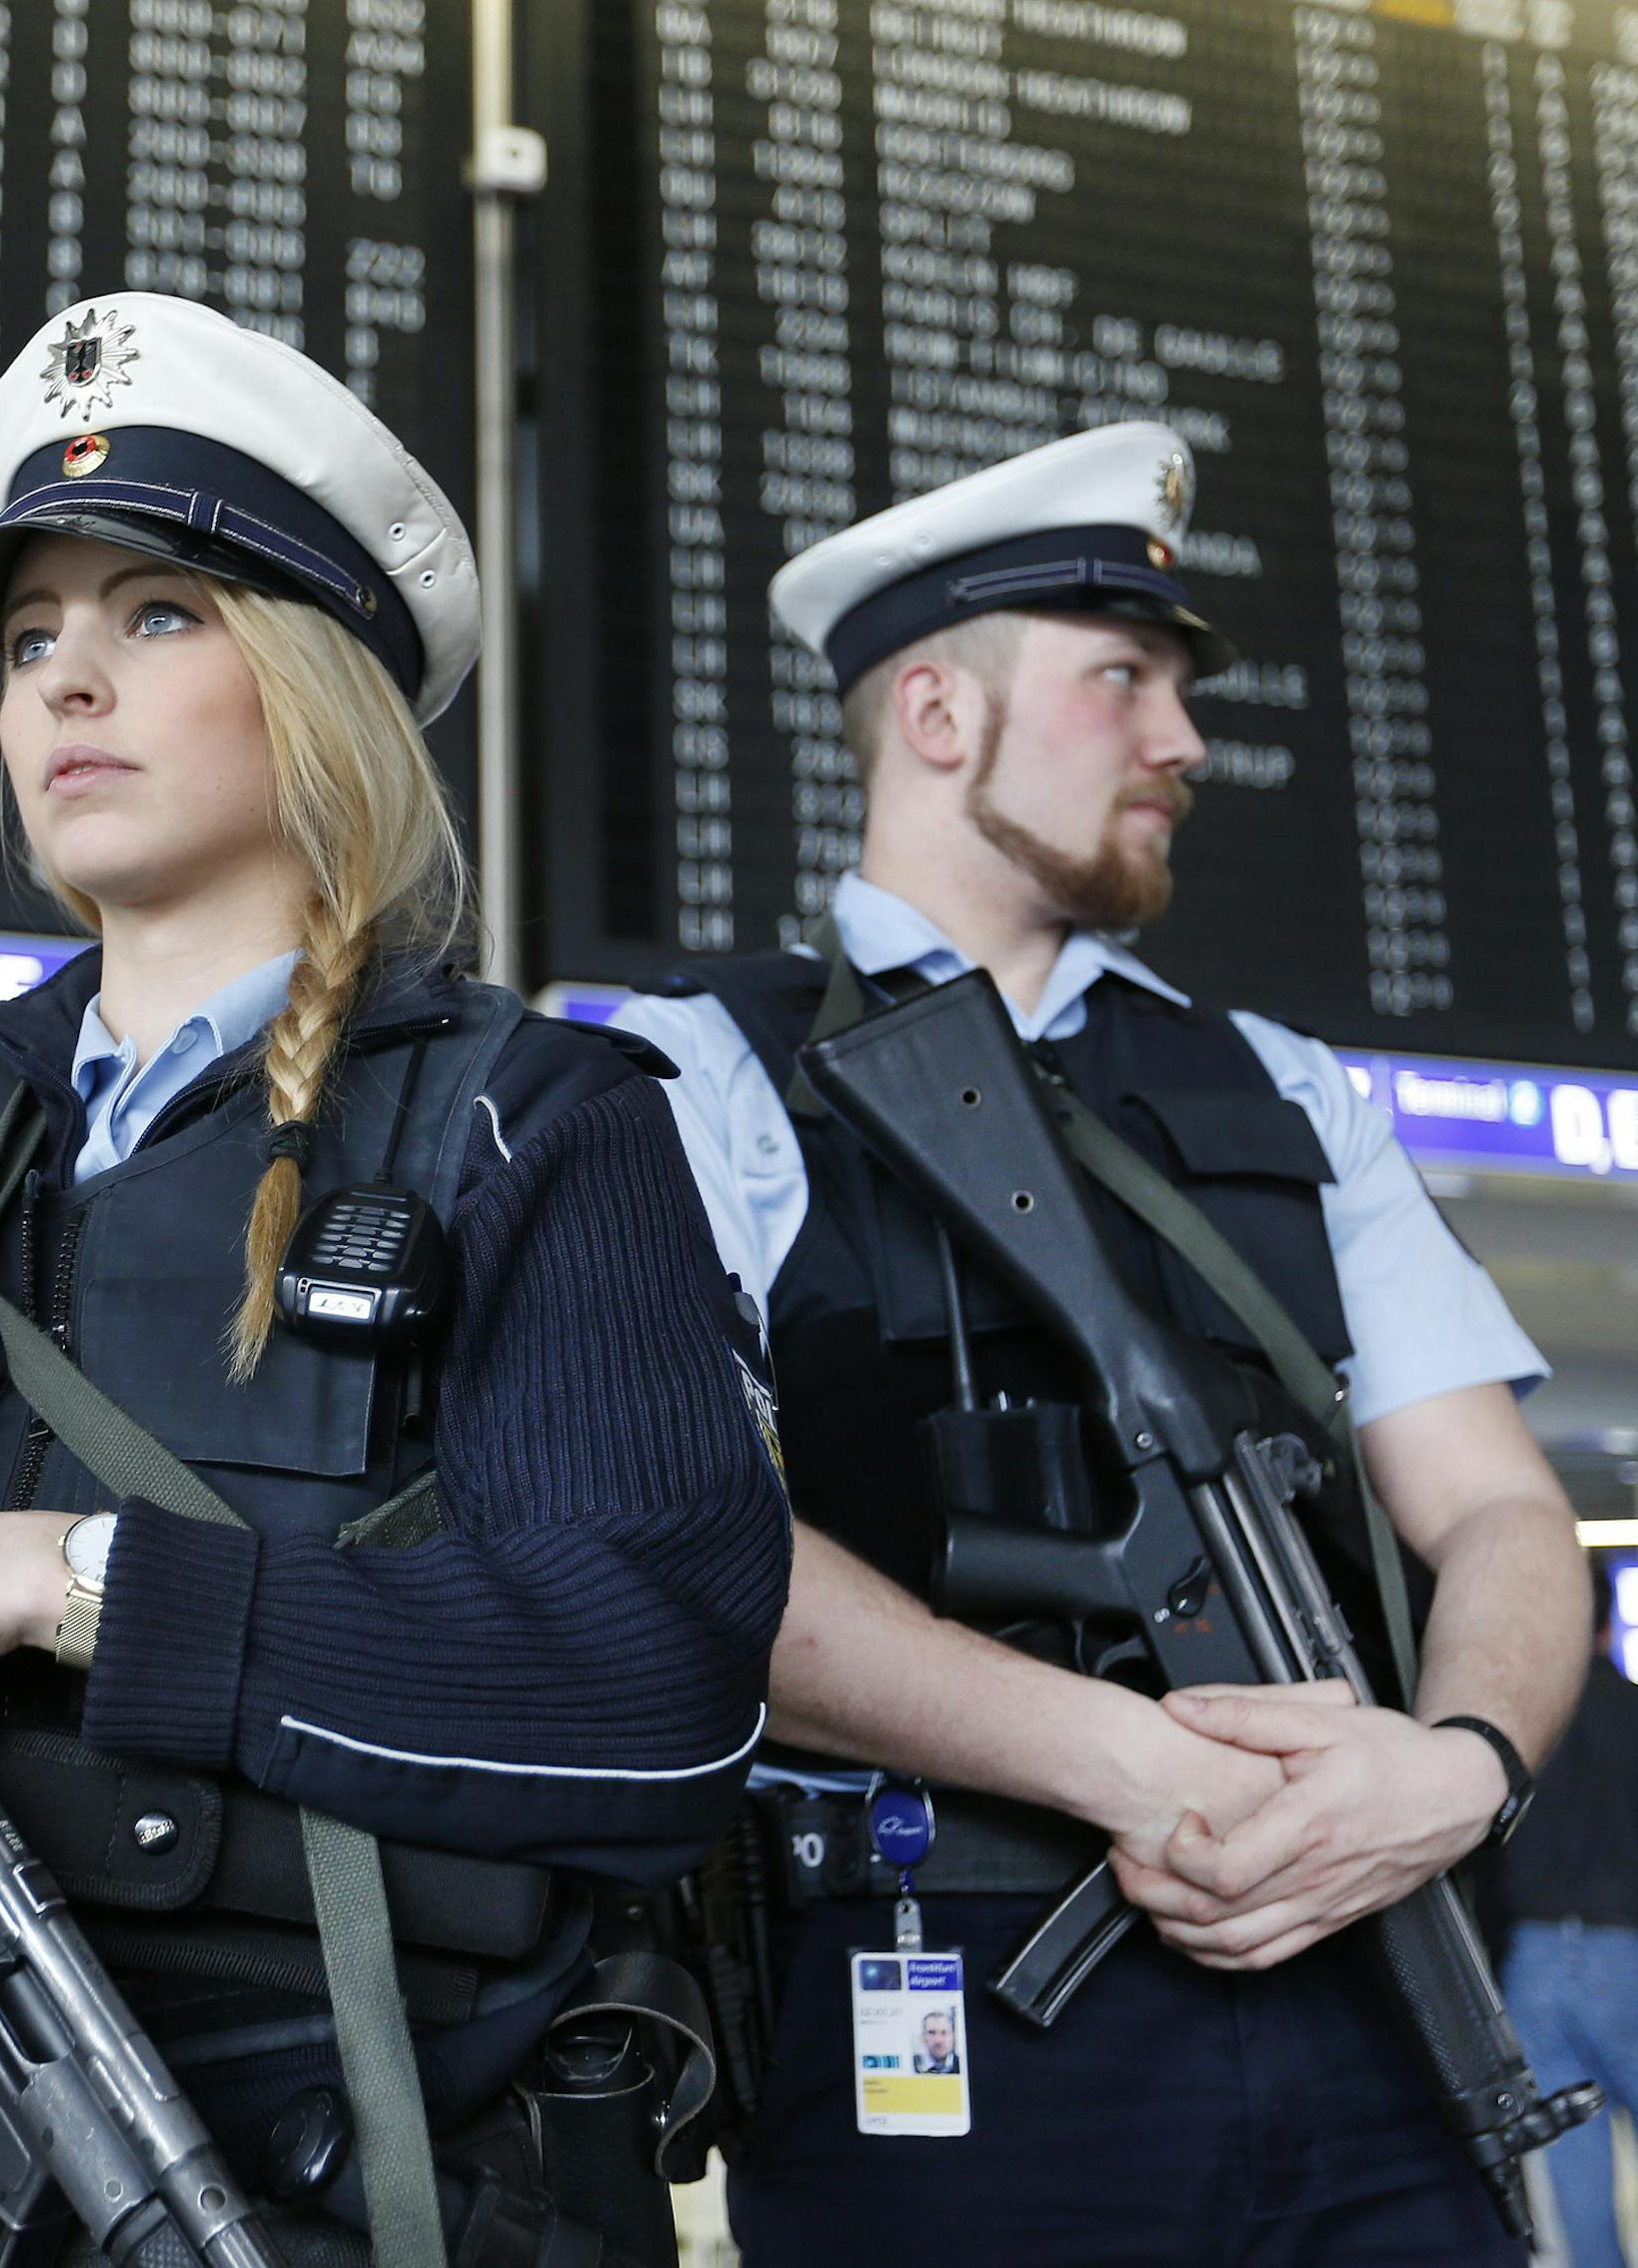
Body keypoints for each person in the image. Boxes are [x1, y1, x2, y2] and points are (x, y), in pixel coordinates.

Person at [0, 292, 791, 2267]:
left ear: (316, 684)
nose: (63, 684)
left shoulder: (529, 1126)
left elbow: (651, 1698)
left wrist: (60, 1580)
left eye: (154, 618)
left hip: (295, 2190)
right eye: (31, 639)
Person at [614, 421, 1592, 2265]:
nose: (1184, 743)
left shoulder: (1289, 1092)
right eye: (1122, 680)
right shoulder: (703, 1071)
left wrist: (1459, 1766)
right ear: (934, 716)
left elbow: (1501, 1519)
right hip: (943, 2012)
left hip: (1369, 1970)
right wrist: (1128, 1762)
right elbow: (684, 1542)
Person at [1492, 1559, 1638, 2266]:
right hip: (1627, 1951)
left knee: (1573, 2166)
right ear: (1610, 1623)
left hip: (1532, 1958)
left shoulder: (1512, 1733)